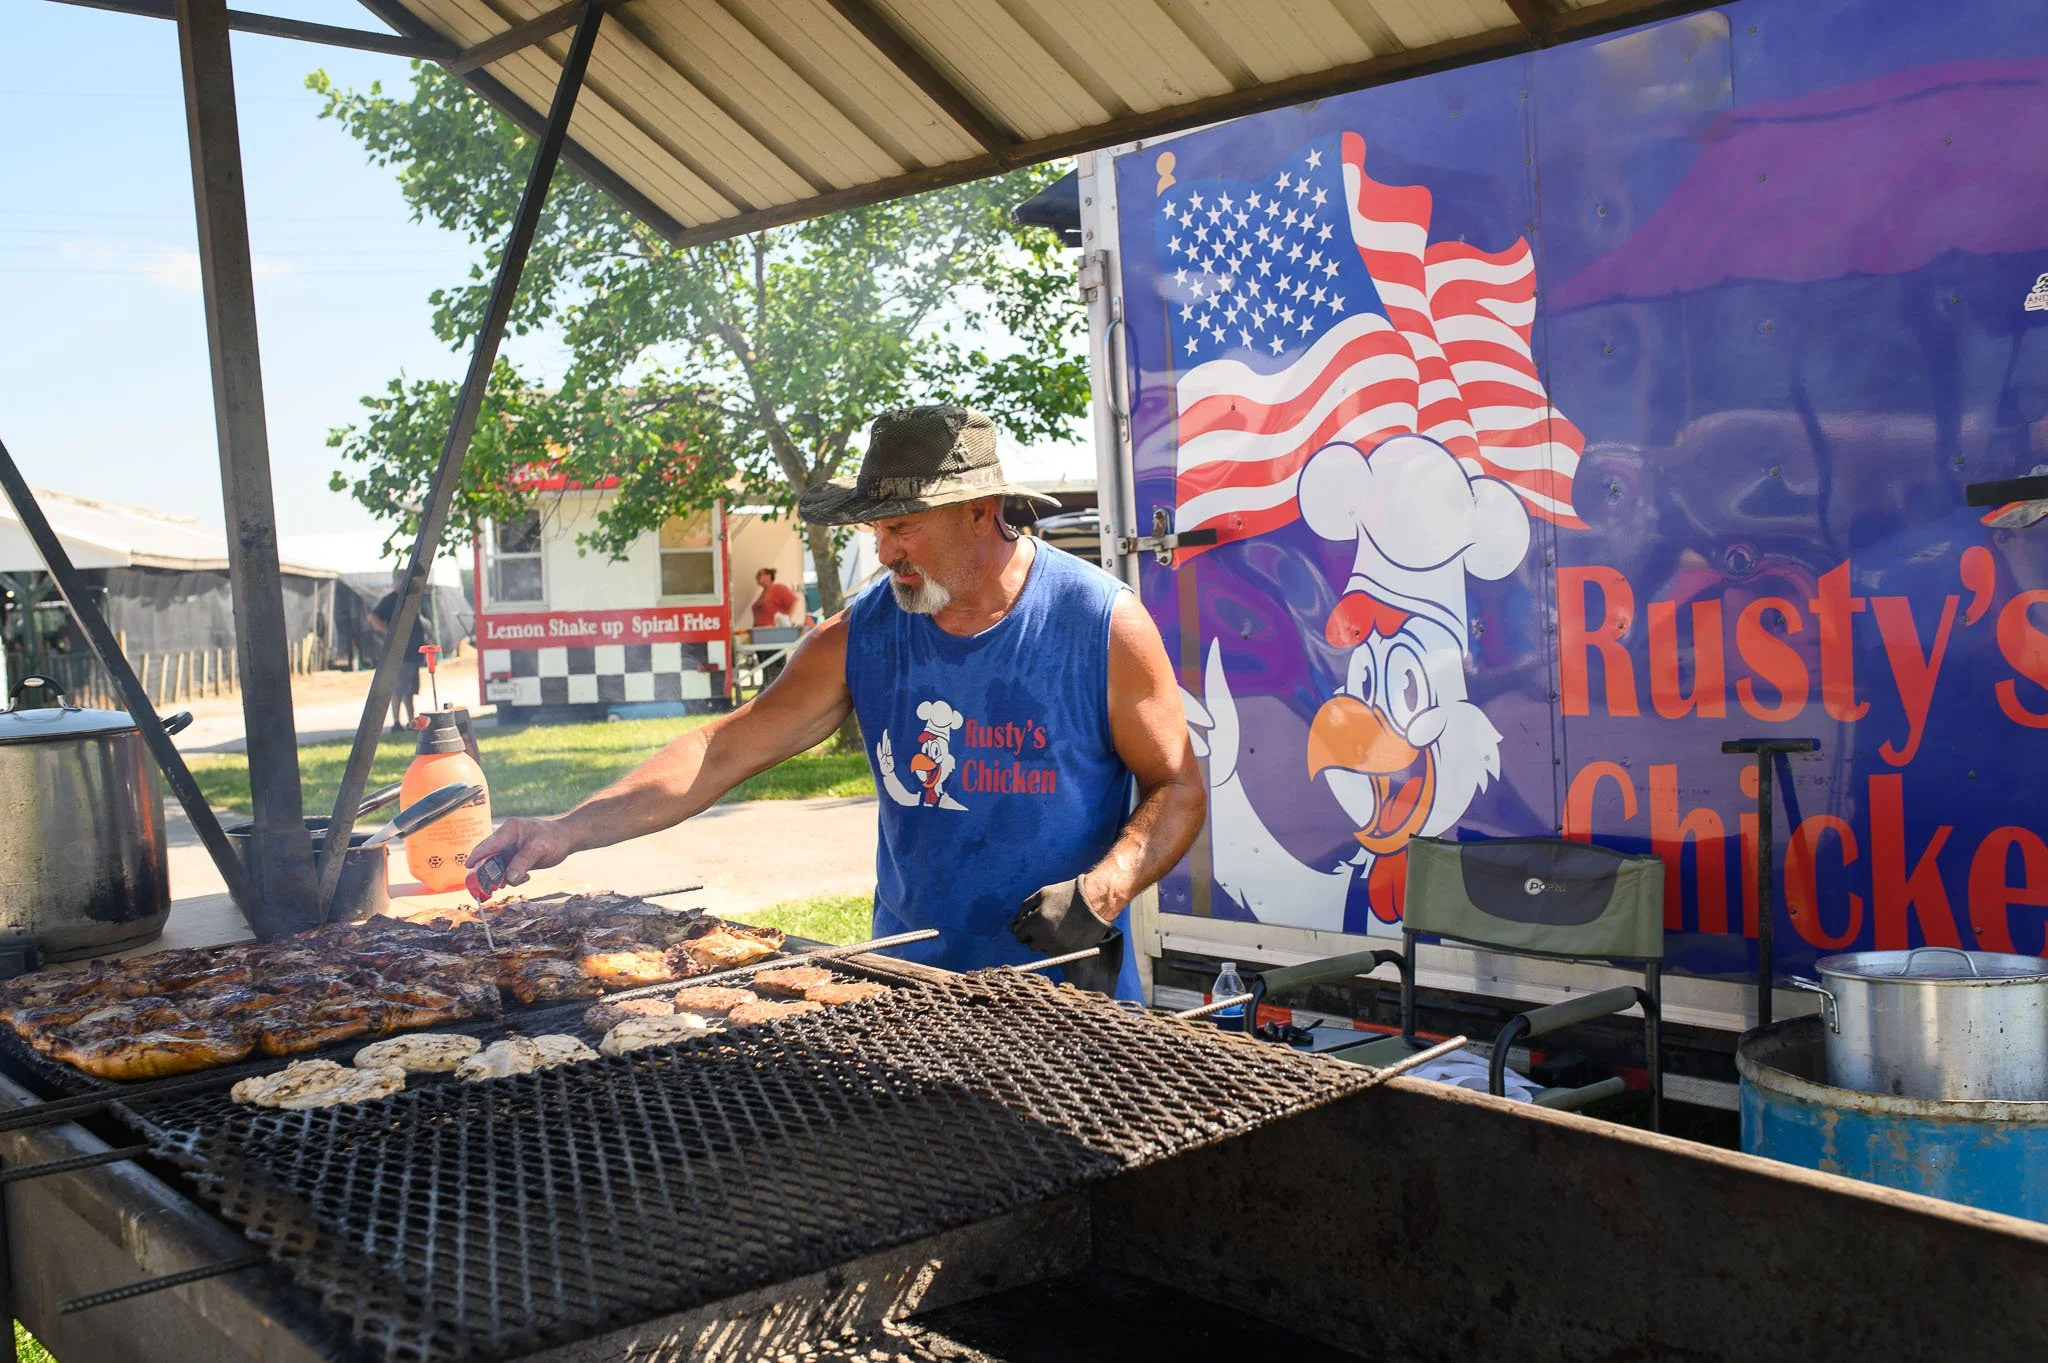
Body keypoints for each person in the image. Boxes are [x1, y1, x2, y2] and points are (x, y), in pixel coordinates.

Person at [469, 405, 1206, 998]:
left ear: (981, 512)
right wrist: (565, 829)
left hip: (1070, 998)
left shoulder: (1101, 623)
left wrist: (1101, 893)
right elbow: (720, 750)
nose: (883, 552)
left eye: (902, 526)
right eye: (876, 529)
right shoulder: (862, 634)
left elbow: (1176, 784)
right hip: (909, 991)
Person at [370, 575, 429, 733]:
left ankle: (412, 721)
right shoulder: (391, 600)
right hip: (401, 653)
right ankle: (396, 723)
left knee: (410, 690)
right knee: (399, 689)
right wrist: (390, 633)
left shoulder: (409, 599)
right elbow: (373, 617)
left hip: (412, 652)